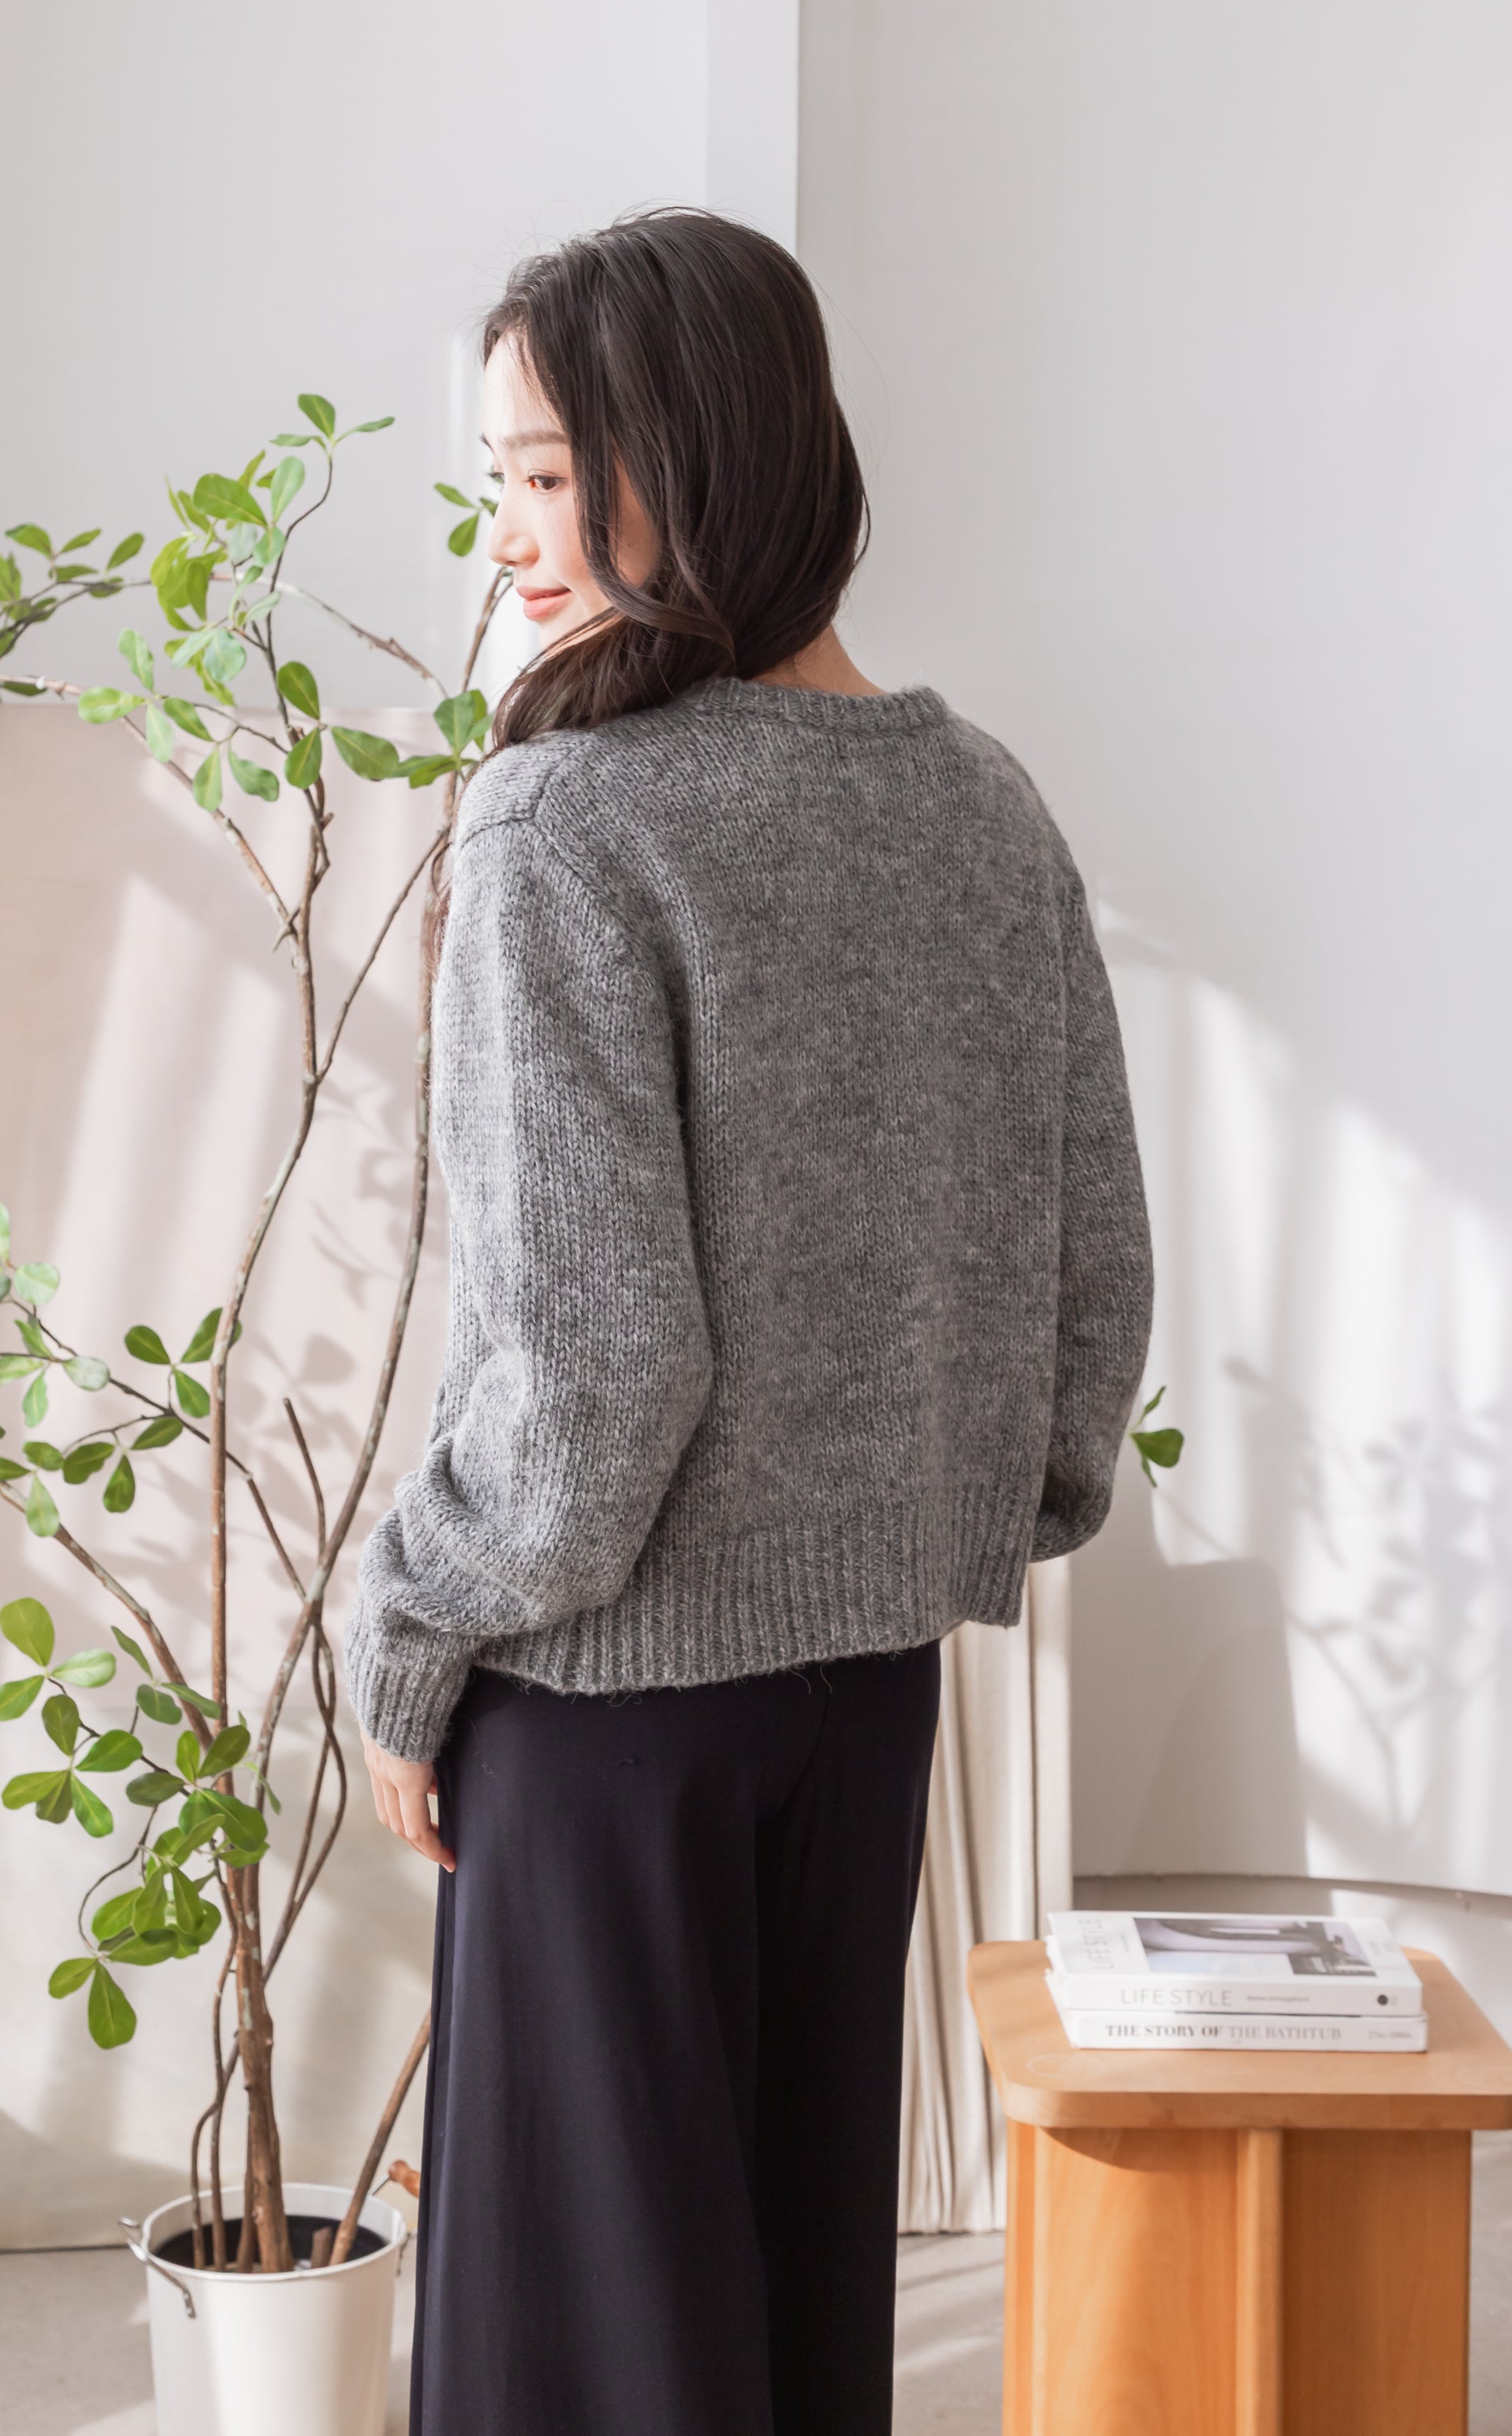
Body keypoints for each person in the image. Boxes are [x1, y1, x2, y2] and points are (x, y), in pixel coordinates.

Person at [346, 205, 1153, 2436]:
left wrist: (411, 1629)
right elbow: (1094, 1272)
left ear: (681, 458)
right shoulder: (981, 806)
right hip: (863, 1698)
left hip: (605, 1705)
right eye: (497, 477)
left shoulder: (567, 821)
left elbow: (593, 1373)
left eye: (540, 473)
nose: (505, 530)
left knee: (585, 2361)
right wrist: (948, 1511)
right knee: (793, 2330)